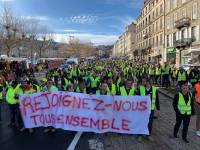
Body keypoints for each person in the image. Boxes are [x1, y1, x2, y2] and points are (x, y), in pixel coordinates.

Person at [137, 77, 160, 141]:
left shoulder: (155, 89)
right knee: (141, 122)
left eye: (144, 81)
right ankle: (140, 135)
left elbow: (157, 100)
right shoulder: (141, 88)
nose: (142, 83)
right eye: (142, 81)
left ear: (148, 82)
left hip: (151, 109)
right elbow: (137, 98)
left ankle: (148, 135)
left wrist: (158, 109)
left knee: (150, 122)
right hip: (142, 109)